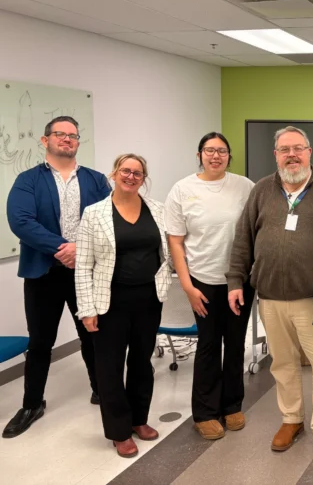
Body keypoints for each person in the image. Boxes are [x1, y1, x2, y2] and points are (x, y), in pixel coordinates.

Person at [227, 126, 313, 464]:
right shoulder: (262, 189)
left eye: (298, 148)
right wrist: (236, 280)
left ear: (310, 152)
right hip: (270, 298)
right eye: (284, 150)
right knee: (283, 364)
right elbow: (243, 238)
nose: (291, 155)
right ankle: (292, 420)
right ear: (275, 154)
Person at [2, 116, 111, 439]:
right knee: (40, 343)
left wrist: (82, 250)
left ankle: (101, 391)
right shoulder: (27, 181)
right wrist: (63, 248)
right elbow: (20, 220)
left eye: (72, 135)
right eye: (59, 134)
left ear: (78, 142)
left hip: (86, 273)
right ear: (45, 140)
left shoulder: (95, 180)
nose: (66, 139)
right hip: (44, 273)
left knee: (93, 335)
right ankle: (32, 404)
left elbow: (107, 218)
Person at [75, 154, 172, 458]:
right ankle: (119, 430)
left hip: (148, 300)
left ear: (144, 178)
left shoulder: (156, 209)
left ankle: (139, 419)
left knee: (142, 362)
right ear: (114, 174)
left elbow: (166, 251)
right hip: (110, 302)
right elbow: (83, 265)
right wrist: (87, 309)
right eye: (126, 171)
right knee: (109, 366)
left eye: (138, 173)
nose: (131, 177)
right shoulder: (94, 213)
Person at [164, 133, 255, 440]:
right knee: (207, 345)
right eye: (209, 150)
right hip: (202, 281)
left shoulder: (245, 186)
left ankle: (232, 406)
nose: (216, 156)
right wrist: (187, 287)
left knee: (235, 343)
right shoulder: (182, 189)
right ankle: (204, 412)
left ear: (229, 156)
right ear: (199, 154)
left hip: (239, 281)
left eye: (222, 151)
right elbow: (175, 241)